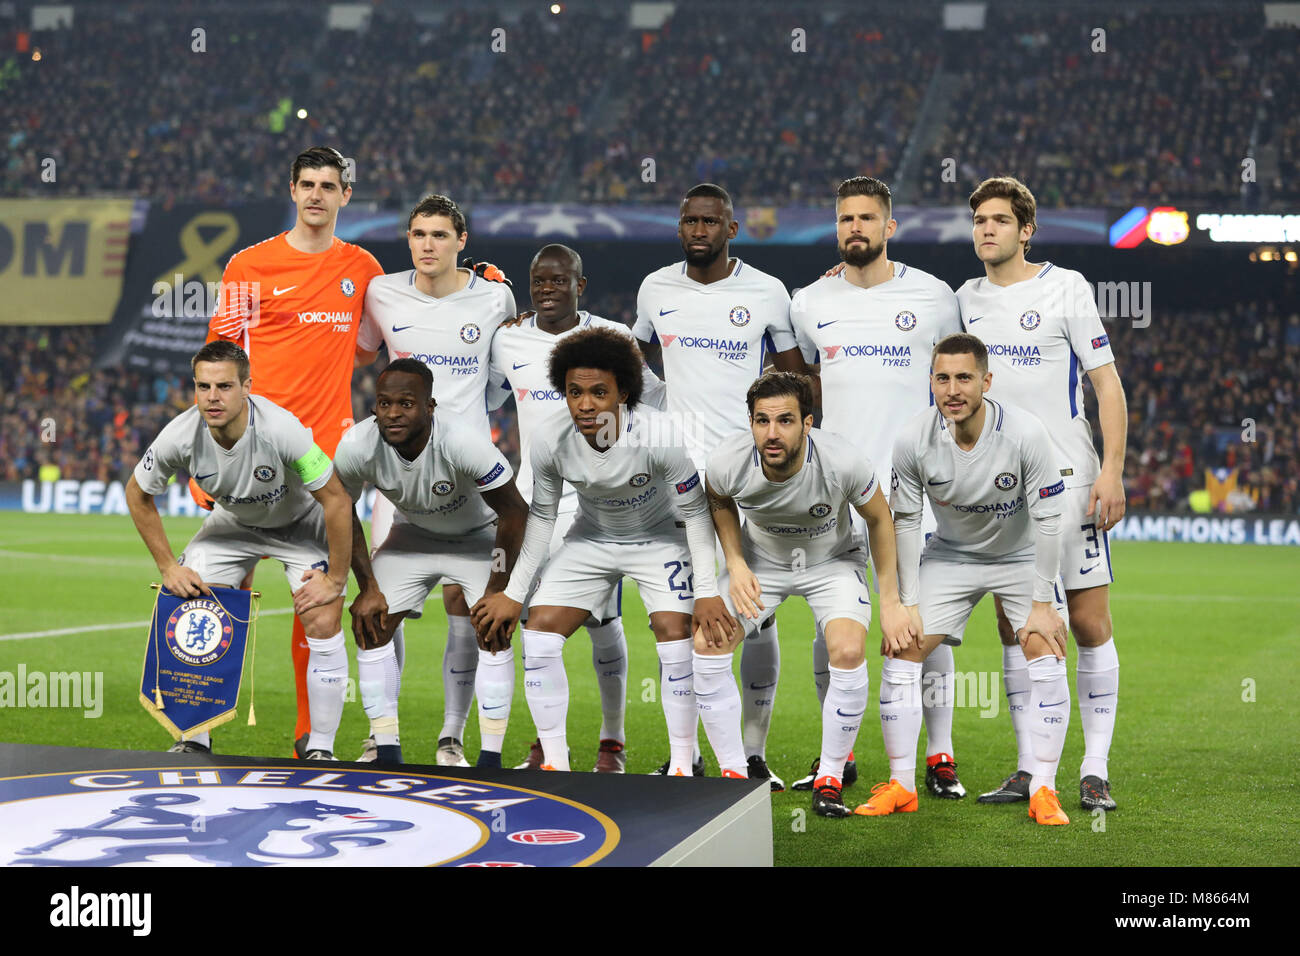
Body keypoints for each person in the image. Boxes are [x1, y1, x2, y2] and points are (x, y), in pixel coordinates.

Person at [470, 327, 735, 775]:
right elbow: (541, 520)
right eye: (575, 392)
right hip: (591, 538)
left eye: (598, 392)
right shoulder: (551, 440)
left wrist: (707, 591)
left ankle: (683, 766)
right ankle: (554, 763)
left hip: (659, 538)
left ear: (624, 393)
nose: (586, 404)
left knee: (674, 631)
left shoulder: (659, 433)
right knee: (538, 634)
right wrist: (514, 593)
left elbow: (695, 513)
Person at [789, 176, 966, 797]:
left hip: (915, 491)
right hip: (835, 493)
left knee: (920, 620)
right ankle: (836, 753)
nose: (855, 228)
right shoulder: (807, 302)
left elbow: (959, 381)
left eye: (867, 218)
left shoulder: (937, 298)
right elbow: (805, 386)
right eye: (845, 219)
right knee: (830, 623)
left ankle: (939, 758)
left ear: (889, 227)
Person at [632, 183, 812, 788]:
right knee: (684, 621)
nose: (699, 229)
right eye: (690, 220)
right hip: (678, 485)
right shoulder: (655, 288)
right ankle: (688, 757)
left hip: (750, 481)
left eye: (711, 220)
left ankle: (752, 754)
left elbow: (796, 380)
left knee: (753, 617)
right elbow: (632, 365)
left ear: (732, 228)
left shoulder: (765, 292)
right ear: (680, 227)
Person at [206, 146, 383, 756]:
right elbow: (218, 368)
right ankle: (197, 729)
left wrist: (478, 277)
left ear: (345, 196)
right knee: (219, 596)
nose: (316, 194)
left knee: (316, 603)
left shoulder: (361, 269)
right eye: (306, 184)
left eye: (328, 185)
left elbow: (395, 326)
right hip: (246, 462)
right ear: (291, 190)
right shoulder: (250, 267)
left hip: (320, 472)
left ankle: (312, 736)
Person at [957, 176, 1126, 812]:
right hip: (999, 493)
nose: (988, 230)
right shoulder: (963, 301)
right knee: (1014, 624)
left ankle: (1095, 766)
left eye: (1000, 220)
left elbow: (1106, 386)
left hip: (1069, 478)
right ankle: (1030, 769)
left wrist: (1112, 470)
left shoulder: (1067, 287)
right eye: (979, 221)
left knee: (1086, 621)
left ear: (1026, 230)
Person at [860, 332, 1072, 825]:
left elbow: (1048, 521)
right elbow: (906, 523)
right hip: (952, 555)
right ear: (930, 381)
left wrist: (1043, 603)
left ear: (986, 381)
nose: (952, 389)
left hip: (1020, 556)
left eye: (963, 378)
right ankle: (901, 784)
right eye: (942, 378)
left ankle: (1044, 787)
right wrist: (906, 603)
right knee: (902, 646)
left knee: (1045, 647)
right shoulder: (913, 437)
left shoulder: (1025, 432)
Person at [698, 371, 914, 817]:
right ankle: (735, 775)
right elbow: (717, 500)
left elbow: (879, 519)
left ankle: (831, 777)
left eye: (784, 421)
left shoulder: (843, 461)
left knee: (848, 651)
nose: (771, 433)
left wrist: (890, 601)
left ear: (808, 422)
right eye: (761, 421)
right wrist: (735, 563)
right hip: (761, 563)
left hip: (831, 561)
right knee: (707, 641)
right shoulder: (727, 460)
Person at [125, 341, 354, 758]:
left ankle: (320, 747)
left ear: (247, 386)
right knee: (191, 601)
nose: (212, 397)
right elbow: (137, 493)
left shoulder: (280, 428)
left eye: (225, 386)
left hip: (300, 524)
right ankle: (194, 738)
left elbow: (337, 499)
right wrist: (166, 566)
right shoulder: (181, 433)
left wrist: (336, 578)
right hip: (234, 524)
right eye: (203, 386)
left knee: (321, 617)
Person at [487, 243, 666, 772]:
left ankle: (612, 741)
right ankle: (548, 746)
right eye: (538, 280)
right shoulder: (507, 339)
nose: (546, 289)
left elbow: (652, 398)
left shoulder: (612, 338)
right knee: (533, 624)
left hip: (595, 502)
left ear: (579, 286)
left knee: (601, 619)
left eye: (558, 280)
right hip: (531, 500)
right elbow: (491, 396)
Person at [354, 193, 516, 766]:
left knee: (463, 604)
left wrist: (469, 423)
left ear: (461, 242)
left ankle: (452, 734)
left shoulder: (495, 297)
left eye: (440, 235)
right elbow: (363, 352)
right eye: (419, 234)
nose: (428, 245)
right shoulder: (381, 293)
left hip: (470, 473)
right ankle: (382, 732)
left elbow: (504, 380)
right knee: (377, 601)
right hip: (397, 480)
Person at [333, 359, 528, 767]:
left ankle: (490, 761)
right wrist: (367, 587)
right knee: (370, 625)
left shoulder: (462, 441)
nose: (392, 414)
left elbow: (514, 512)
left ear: (430, 406)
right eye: (384, 403)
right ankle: (386, 752)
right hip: (412, 537)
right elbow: (340, 508)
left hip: (479, 537)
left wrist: (498, 589)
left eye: (406, 403)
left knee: (493, 630)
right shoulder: (356, 445)